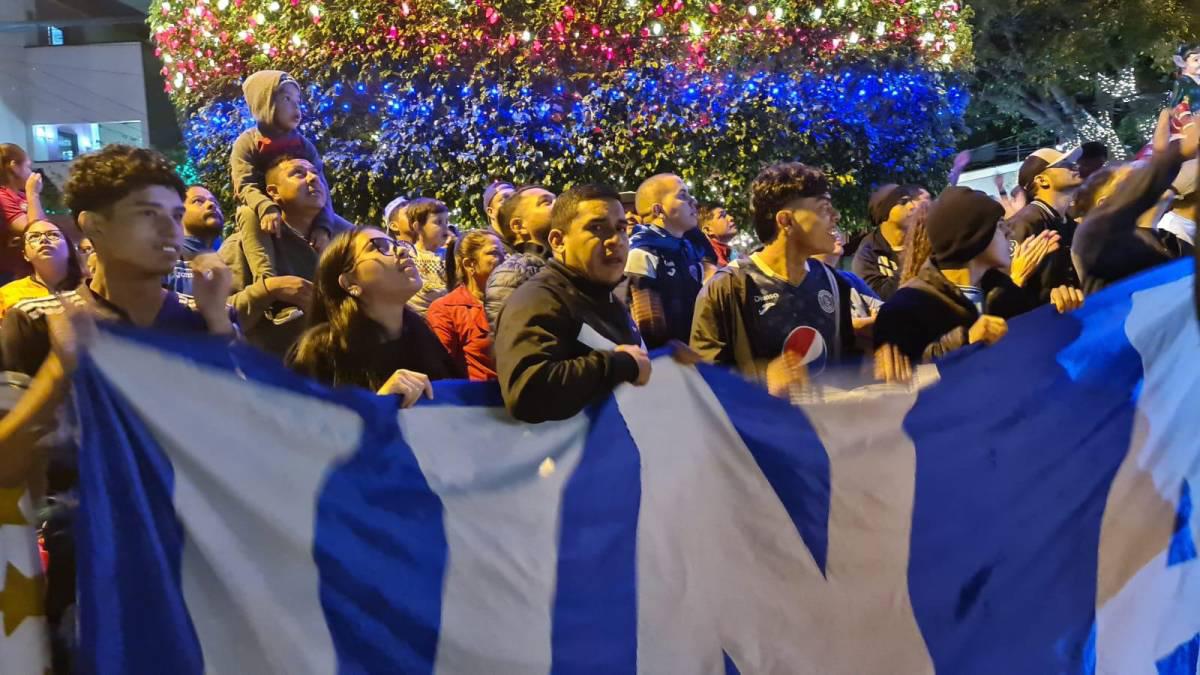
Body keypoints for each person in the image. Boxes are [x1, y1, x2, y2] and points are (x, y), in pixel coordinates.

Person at [690, 163, 863, 399]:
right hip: (763, 432)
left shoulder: (833, 282)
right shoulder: (728, 287)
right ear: (786, 221)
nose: (836, 216)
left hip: (824, 430)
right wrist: (763, 378)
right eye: (824, 208)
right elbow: (702, 381)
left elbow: (845, 366)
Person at [493, 184, 649, 423]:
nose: (615, 240)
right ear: (557, 241)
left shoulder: (601, 294)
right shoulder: (537, 299)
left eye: (621, 228)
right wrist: (619, 365)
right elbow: (526, 392)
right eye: (597, 228)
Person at [872, 187, 1075, 369]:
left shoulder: (1005, 292)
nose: (1009, 232)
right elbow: (897, 386)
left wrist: (1060, 312)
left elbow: (1036, 353)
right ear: (974, 237)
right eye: (999, 226)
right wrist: (965, 341)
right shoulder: (905, 308)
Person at [285, 227, 463, 401]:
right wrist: (380, 403)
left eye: (396, 244)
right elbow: (302, 426)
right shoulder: (320, 350)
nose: (401, 250)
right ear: (350, 283)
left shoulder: (421, 333)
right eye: (378, 247)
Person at [230, 70, 352, 291]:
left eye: (298, 101)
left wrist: (323, 226)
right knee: (247, 216)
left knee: (353, 233)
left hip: (303, 207)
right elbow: (245, 185)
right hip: (261, 207)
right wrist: (266, 207)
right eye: (287, 99)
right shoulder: (247, 143)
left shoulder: (304, 145)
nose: (296, 107)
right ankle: (267, 285)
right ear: (264, 102)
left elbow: (321, 185)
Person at [1074, 110, 1198, 295]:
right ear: (1103, 203)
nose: (1142, 182)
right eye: (1130, 180)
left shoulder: (1166, 240)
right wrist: (1178, 151)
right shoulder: (1092, 239)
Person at [222, 157, 326, 354]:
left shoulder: (342, 239)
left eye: (315, 172)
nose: (313, 178)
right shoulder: (240, 245)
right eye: (299, 173)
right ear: (273, 192)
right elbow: (218, 316)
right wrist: (267, 290)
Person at [625, 173, 705, 348]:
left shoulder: (688, 249)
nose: (694, 202)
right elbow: (648, 326)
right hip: (667, 362)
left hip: (694, 356)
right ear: (658, 210)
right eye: (683, 196)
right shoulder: (642, 252)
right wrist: (670, 350)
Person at [427, 230, 506, 381]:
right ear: (470, 264)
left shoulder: (515, 299)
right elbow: (442, 368)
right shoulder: (446, 309)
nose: (505, 259)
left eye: (504, 252)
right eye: (495, 253)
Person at [1006, 147, 1083, 303]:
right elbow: (1009, 285)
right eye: (1064, 164)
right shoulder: (1025, 223)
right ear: (1042, 180)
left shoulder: (1067, 222)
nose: (1074, 166)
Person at [483, 185, 556, 329]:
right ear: (518, 226)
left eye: (556, 199)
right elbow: (512, 340)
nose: (558, 205)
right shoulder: (511, 274)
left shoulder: (571, 264)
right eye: (546, 202)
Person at [852, 183, 923, 301]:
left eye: (912, 200)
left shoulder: (924, 240)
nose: (912, 206)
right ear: (884, 211)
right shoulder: (868, 252)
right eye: (903, 202)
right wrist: (910, 259)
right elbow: (878, 298)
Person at [0, 221, 83, 321]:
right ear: (25, 255)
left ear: (69, 249)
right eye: (34, 237)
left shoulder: (89, 287)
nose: (44, 239)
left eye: (53, 234)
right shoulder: (6, 293)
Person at [0, 144, 47, 283]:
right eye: (27, 166)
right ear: (14, 166)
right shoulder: (3, 196)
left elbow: (44, 224)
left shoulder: (21, 196)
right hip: (8, 274)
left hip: (26, 270)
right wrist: (33, 194)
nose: (30, 172)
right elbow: (33, 230)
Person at [814, 227, 882, 323]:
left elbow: (884, 313)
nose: (837, 233)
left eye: (836, 229)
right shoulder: (805, 284)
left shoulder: (850, 279)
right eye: (829, 229)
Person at [403, 197, 452, 315]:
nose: (445, 227)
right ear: (418, 227)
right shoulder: (409, 256)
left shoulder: (449, 255)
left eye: (446, 221)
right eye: (438, 222)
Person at [699, 203, 739, 269]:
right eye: (722, 216)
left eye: (727, 214)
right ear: (708, 230)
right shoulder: (709, 263)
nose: (731, 218)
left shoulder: (730, 253)